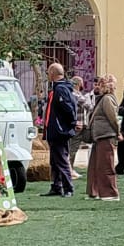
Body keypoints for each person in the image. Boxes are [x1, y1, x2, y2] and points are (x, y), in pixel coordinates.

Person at [42, 63, 79, 197]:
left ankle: (68, 188)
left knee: (62, 159)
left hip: (59, 131)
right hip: (55, 130)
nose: (47, 75)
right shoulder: (57, 89)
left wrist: (68, 126)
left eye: (48, 72)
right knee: (54, 160)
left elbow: (68, 109)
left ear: (52, 73)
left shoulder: (61, 89)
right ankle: (56, 186)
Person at [87, 75, 120, 201]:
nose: (96, 87)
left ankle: (110, 193)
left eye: (99, 84)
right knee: (96, 165)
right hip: (99, 136)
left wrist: (118, 133)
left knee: (106, 165)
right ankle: (95, 191)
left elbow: (113, 118)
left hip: (106, 135)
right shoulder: (102, 99)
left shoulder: (107, 99)